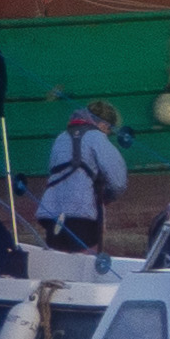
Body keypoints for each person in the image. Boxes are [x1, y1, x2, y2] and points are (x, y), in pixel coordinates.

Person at [30, 101, 128, 257]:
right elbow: (119, 182)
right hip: (83, 216)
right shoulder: (97, 138)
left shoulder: (60, 138)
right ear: (103, 125)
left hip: (52, 214)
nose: (108, 134)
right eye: (109, 129)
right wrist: (105, 198)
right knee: (85, 265)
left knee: (57, 264)